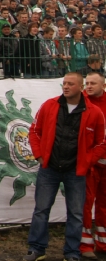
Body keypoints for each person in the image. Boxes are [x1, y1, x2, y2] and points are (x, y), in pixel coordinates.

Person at [24, 72, 106, 261]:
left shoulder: (94, 112)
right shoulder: (49, 105)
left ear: (80, 87)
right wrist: (39, 156)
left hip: (75, 171)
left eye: (70, 84)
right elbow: (35, 131)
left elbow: (101, 143)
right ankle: (36, 249)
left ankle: (71, 252)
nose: (66, 87)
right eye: (64, 84)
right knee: (41, 210)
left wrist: (87, 162)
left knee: (76, 213)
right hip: (49, 169)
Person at [82, 73, 106, 258]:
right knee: (85, 204)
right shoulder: (81, 102)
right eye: (87, 83)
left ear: (103, 85)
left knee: (104, 205)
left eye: (93, 83)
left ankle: (102, 243)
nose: (88, 86)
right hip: (89, 163)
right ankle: (85, 245)